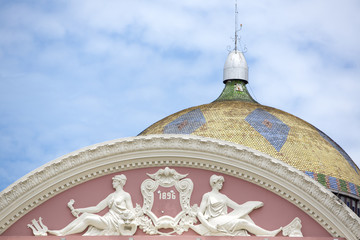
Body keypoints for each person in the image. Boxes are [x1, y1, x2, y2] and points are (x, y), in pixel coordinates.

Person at [192, 175, 281, 236]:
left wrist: (252, 205)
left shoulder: (223, 197)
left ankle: (261, 233)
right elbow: (200, 213)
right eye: (219, 183)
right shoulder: (207, 195)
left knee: (243, 214)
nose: (221, 185)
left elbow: (238, 208)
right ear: (214, 183)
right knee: (242, 222)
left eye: (222, 183)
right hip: (214, 222)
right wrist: (209, 227)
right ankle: (266, 234)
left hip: (224, 219)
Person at [48, 174, 136, 236]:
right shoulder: (111, 196)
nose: (113, 183)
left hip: (114, 222)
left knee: (87, 219)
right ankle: (62, 232)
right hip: (108, 218)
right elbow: (97, 208)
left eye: (115, 181)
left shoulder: (126, 195)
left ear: (119, 182)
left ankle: (64, 234)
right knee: (85, 215)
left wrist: (126, 216)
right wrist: (80, 210)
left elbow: (131, 212)